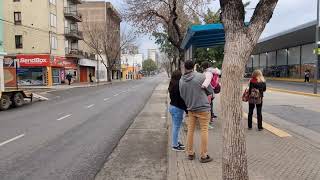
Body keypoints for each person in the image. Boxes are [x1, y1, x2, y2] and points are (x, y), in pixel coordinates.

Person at [179, 60, 214, 163]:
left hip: (191, 108)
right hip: (203, 108)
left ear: (185, 67)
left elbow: (182, 95)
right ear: (194, 66)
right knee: (204, 130)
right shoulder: (201, 76)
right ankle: (203, 155)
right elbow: (210, 91)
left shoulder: (181, 80)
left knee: (190, 130)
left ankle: (190, 153)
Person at [168, 70, 187, 151]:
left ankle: (177, 142)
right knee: (176, 127)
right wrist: (187, 110)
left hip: (172, 107)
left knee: (177, 127)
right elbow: (181, 99)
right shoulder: (179, 85)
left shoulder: (172, 84)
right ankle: (175, 145)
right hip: (177, 108)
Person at [200, 62, 220, 129]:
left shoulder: (208, 73)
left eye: (202, 67)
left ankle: (207, 122)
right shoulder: (210, 71)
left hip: (208, 92)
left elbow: (207, 81)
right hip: (210, 91)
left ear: (204, 67)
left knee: (207, 107)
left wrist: (203, 86)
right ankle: (210, 119)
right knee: (209, 106)